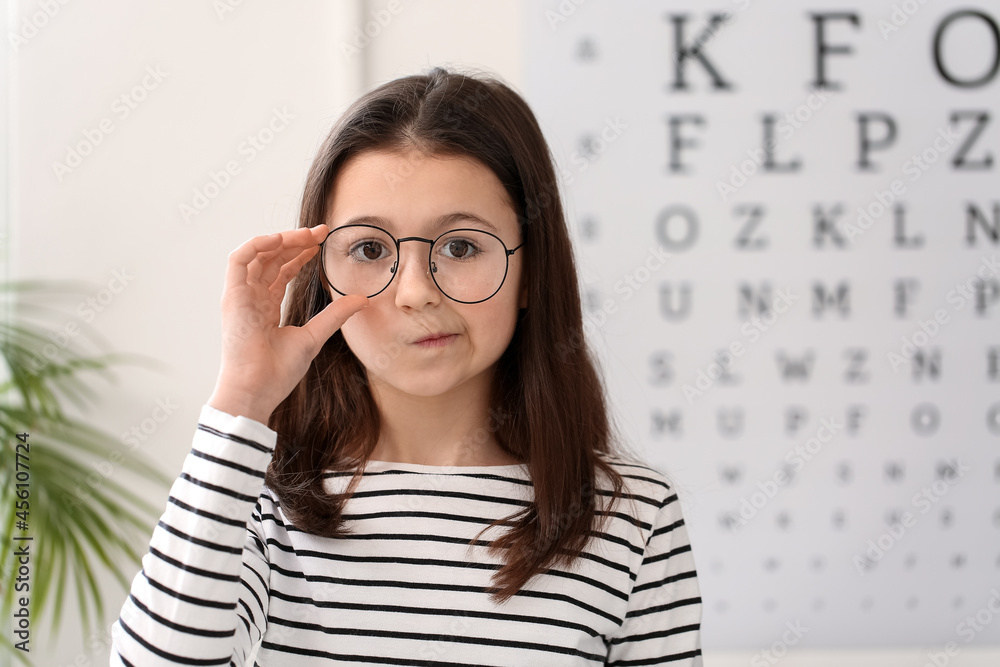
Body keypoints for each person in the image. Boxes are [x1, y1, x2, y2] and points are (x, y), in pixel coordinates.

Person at [110, 66, 703, 666]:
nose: (415, 291)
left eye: (461, 247)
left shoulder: (635, 519)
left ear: (531, 270)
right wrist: (242, 397)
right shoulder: (253, 501)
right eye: (369, 249)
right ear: (322, 273)